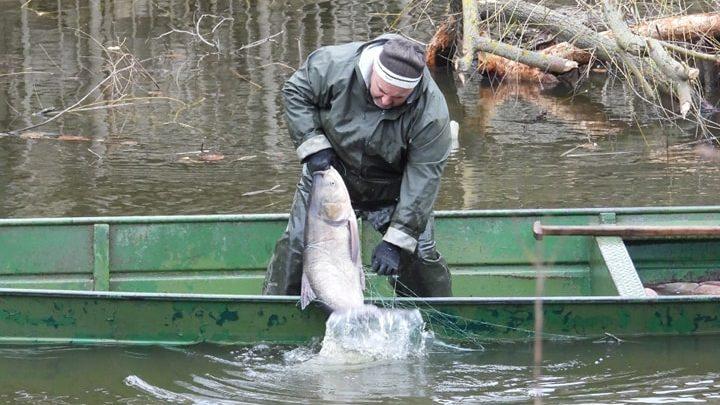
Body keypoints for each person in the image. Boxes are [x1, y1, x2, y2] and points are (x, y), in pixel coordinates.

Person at [262, 34, 453, 298]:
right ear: (373, 69)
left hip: (391, 189)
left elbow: (424, 178)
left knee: (420, 257)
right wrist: (313, 145)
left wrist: (397, 240)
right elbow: (296, 92)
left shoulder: (431, 113)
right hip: (328, 174)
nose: (386, 101)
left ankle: (434, 321)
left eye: (397, 98)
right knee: (296, 247)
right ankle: (275, 315)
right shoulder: (334, 64)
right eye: (382, 91)